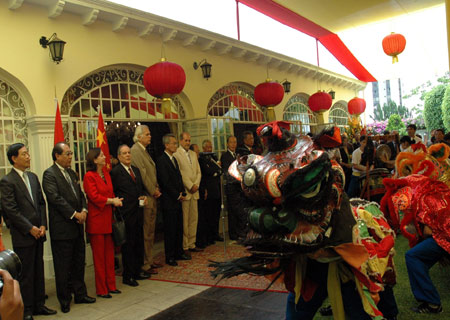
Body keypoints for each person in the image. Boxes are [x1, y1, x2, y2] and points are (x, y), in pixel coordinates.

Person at [0, 143, 56, 320]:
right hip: (23, 234)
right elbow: (11, 210)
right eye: (24, 154)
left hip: (39, 232)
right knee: (26, 274)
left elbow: (41, 203)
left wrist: (42, 225)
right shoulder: (7, 181)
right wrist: (29, 228)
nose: (28, 156)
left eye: (28, 153)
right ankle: (27, 309)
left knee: (38, 270)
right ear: (14, 158)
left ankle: (40, 304)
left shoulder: (33, 177)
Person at [42, 142, 96, 313]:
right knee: (63, 266)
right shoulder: (49, 174)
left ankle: (80, 294)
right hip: (63, 228)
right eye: (67, 154)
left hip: (78, 226)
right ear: (57, 156)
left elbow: (80, 195)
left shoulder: (72, 173)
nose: (70, 157)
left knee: (78, 262)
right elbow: (55, 198)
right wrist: (75, 214)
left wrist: (84, 210)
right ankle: (65, 299)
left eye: (71, 153)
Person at [83, 148, 123, 298]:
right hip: (96, 222)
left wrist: (115, 200)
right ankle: (101, 289)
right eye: (101, 155)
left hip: (108, 219)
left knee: (109, 255)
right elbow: (94, 196)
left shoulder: (106, 174)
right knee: (99, 258)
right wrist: (112, 201)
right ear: (94, 160)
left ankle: (111, 285)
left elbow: (110, 192)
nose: (104, 156)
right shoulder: (89, 176)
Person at [111, 145, 151, 287]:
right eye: (124, 153)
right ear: (119, 156)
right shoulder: (115, 172)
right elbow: (114, 193)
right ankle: (128, 275)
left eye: (129, 153)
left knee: (138, 243)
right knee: (128, 246)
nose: (128, 155)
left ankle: (137, 271)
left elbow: (140, 190)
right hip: (126, 214)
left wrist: (144, 198)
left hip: (139, 212)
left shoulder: (136, 170)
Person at [130, 125, 162, 275]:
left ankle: (149, 259)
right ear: (139, 136)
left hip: (151, 194)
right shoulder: (136, 151)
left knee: (150, 231)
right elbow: (142, 174)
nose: (150, 136)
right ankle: (145, 262)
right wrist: (153, 190)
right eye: (147, 134)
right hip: (146, 195)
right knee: (146, 231)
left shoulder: (144, 150)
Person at [156, 134, 189, 266]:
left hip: (178, 199)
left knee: (178, 227)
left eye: (176, 143)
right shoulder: (161, 160)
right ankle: (170, 256)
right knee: (170, 229)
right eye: (174, 143)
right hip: (169, 200)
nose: (176, 145)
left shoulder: (174, 158)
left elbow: (178, 177)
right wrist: (177, 195)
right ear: (166, 145)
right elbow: (165, 181)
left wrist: (182, 192)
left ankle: (179, 252)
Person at [406, 225, 445, 314]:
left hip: (443, 238)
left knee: (412, 256)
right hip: (443, 237)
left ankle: (433, 303)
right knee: (418, 259)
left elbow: (428, 232)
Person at [174, 132, 202, 255]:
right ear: (180, 141)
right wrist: (190, 186)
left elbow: (198, 172)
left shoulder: (193, 154)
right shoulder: (176, 154)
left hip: (195, 191)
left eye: (189, 140)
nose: (188, 143)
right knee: (185, 220)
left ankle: (192, 243)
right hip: (186, 191)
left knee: (193, 219)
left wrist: (196, 184)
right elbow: (180, 173)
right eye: (186, 140)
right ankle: (185, 245)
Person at [197, 140, 223, 248]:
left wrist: (215, 171)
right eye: (207, 147)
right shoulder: (202, 159)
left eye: (210, 146)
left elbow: (220, 170)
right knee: (209, 214)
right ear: (203, 148)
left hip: (217, 188)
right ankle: (209, 236)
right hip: (209, 190)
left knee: (216, 214)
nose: (209, 149)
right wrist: (215, 170)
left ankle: (215, 233)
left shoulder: (213, 157)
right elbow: (209, 171)